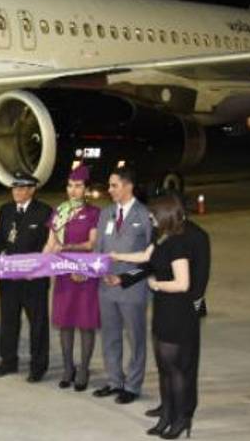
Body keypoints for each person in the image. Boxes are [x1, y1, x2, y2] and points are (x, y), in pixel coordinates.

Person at [115, 195, 211, 428]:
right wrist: (123, 277)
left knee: (184, 366)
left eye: (153, 215)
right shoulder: (162, 233)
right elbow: (150, 262)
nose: (150, 220)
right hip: (165, 305)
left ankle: (185, 412)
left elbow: (198, 278)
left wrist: (194, 305)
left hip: (185, 307)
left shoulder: (195, 236)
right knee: (167, 366)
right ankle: (168, 409)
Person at [92, 166, 153, 405]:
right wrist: (99, 272)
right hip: (107, 287)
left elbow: (151, 259)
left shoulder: (144, 215)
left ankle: (133, 385)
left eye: (114, 185)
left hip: (133, 288)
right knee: (110, 336)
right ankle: (115, 381)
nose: (109, 190)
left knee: (136, 338)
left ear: (128, 186)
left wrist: (127, 277)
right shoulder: (106, 213)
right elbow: (99, 249)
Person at [0, 171, 54, 382]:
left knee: (37, 323)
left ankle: (38, 367)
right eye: (14, 188)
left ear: (31, 190)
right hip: (9, 278)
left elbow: (49, 244)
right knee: (8, 321)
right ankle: (8, 361)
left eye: (21, 188)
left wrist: (36, 267)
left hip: (33, 279)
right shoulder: (5, 210)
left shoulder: (44, 211)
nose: (16, 192)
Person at [42, 164, 101, 391]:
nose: (73, 190)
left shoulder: (94, 213)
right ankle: (68, 368)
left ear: (86, 189)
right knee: (65, 322)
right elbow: (50, 244)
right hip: (64, 273)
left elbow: (92, 244)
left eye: (78, 186)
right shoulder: (60, 212)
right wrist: (35, 266)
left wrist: (68, 247)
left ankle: (84, 369)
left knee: (86, 324)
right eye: (70, 186)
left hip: (85, 273)